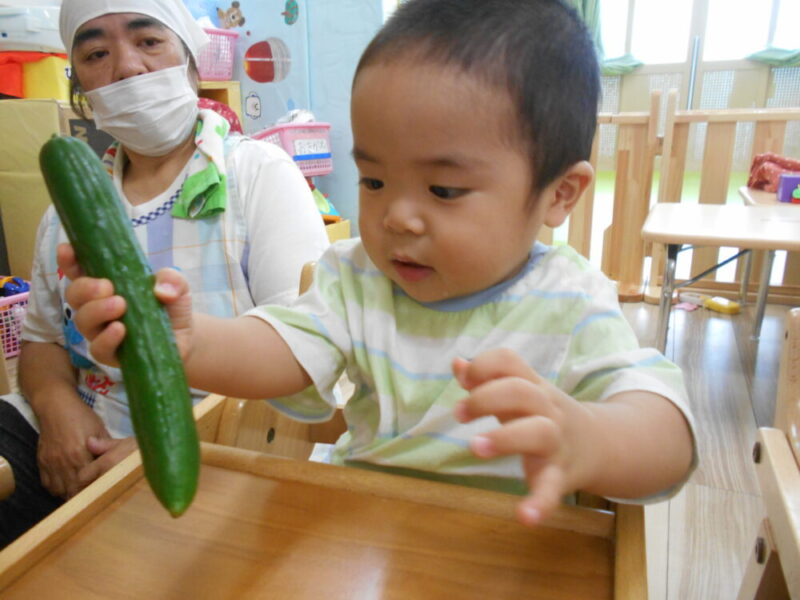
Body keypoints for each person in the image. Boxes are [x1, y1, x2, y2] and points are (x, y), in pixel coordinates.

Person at [63, 0, 696, 528]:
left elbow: (667, 433)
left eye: (443, 190)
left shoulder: (571, 300)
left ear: (559, 194)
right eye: (373, 181)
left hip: (507, 549)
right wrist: (189, 343)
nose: (396, 218)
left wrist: (589, 437)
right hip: (368, 537)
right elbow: (280, 351)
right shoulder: (357, 277)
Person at [0, 0, 329, 546]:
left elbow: (305, 349)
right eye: (96, 54)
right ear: (79, 82)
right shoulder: (66, 213)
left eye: (149, 41)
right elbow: (40, 341)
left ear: (192, 63)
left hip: (215, 446)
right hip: (79, 440)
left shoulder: (259, 174)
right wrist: (59, 413)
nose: (127, 67)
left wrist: (167, 445)